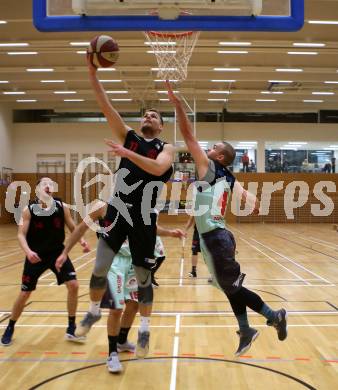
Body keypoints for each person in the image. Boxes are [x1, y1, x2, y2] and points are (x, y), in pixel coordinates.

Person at [56, 56, 174, 356]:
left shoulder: (166, 148)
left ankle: (144, 329)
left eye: (154, 116)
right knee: (99, 268)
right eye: (145, 115)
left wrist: (126, 153)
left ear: (160, 127)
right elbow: (104, 102)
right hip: (119, 210)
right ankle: (94, 309)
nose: (148, 117)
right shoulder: (129, 137)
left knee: (144, 278)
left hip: (145, 218)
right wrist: (92, 72)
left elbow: (158, 169)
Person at [167, 81, 288, 357]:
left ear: (219, 156)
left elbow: (188, 135)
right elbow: (248, 196)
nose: (208, 147)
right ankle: (246, 330)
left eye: (214, 146)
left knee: (232, 287)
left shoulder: (208, 168)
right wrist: (255, 204)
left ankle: (274, 314)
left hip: (216, 238)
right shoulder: (229, 177)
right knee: (230, 287)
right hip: (218, 237)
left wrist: (177, 106)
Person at [0, 177, 90, 346]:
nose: (48, 187)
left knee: (74, 285)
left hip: (57, 253)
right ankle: (10, 326)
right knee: (25, 293)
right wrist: (28, 252)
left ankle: (71, 327)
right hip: (36, 255)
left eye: (51, 184)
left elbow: (72, 227)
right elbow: (20, 234)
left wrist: (82, 241)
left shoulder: (61, 207)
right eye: (44, 184)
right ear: (37, 190)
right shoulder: (29, 210)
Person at [101, 226, 185, 373]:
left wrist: (170, 232)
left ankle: (121, 341)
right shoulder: (109, 207)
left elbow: (150, 227)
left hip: (135, 259)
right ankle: (112, 353)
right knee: (116, 309)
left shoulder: (139, 208)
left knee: (134, 305)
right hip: (116, 261)